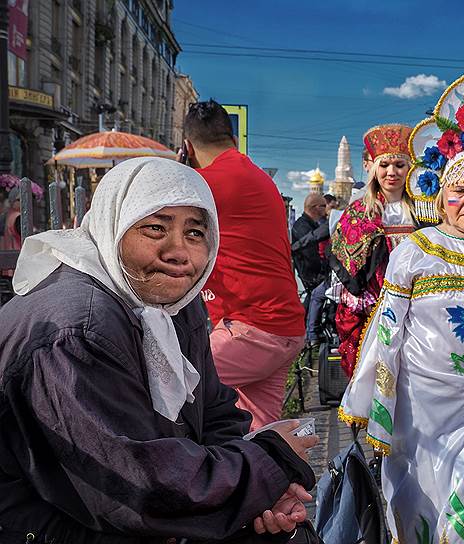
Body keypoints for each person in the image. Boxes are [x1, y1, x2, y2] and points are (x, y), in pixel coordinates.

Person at [0, 157, 318, 543]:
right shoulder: (79, 329)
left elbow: (213, 412)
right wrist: (266, 462)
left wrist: (264, 495)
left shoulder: (171, 304)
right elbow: (135, 486)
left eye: (195, 233)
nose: (178, 252)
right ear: (112, 225)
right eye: (155, 228)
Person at [340, 72, 464, 544]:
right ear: (440, 195)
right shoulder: (418, 249)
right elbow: (387, 330)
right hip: (421, 410)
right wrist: (375, 405)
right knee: (423, 505)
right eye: (460, 190)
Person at [182, 100, 306, 430]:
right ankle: (279, 480)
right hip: (283, 326)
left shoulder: (200, 184)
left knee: (169, 387)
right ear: (233, 139)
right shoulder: (257, 176)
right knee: (261, 437)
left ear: (187, 147)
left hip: (252, 328)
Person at [330, 123, 416, 377]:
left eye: (399, 165)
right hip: (372, 305)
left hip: (416, 304)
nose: (392, 172)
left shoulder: (423, 210)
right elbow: (346, 263)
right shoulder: (360, 210)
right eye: (385, 165)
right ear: (374, 169)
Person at [291, 193, 337, 345]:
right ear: (315, 208)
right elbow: (310, 254)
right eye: (323, 206)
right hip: (311, 274)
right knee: (315, 297)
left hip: (315, 273)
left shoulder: (311, 223)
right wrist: (320, 274)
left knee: (315, 298)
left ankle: (307, 332)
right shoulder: (303, 225)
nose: (327, 209)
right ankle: (309, 333)